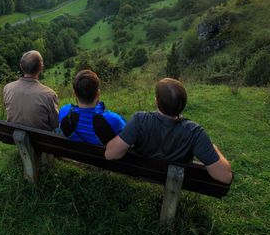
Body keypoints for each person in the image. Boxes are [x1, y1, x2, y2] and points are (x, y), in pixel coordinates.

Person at [104, 78, 233, 184]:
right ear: (183, 104)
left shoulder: (140, 120)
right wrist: (213, 148)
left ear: (156, 101)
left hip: (143, 174)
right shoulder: (195, 133)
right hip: (174, 182)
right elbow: (226, 177)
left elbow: (110, 154)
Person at [59, 69, 126, 145]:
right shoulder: (113, 120)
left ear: (74, 93)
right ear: (98, 93)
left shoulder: (64, 112)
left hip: (76, 155)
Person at [3, 50, 59, 131]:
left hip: (16, 135)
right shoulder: (49, 94)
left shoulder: (7, 88)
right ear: (41, 67)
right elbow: (56, 124)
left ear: (21, 66)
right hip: (43, 140)